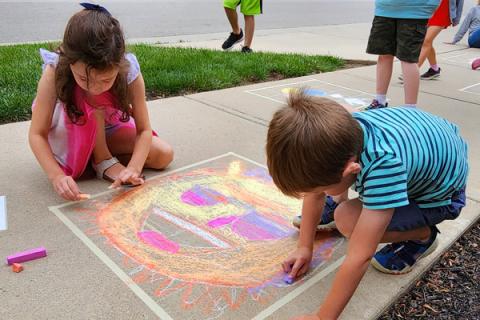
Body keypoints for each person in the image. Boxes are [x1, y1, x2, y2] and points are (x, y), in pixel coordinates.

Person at [266, 90, 468, 320]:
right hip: (431, 146)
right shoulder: (343, 129)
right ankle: (338, 195)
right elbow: (317, 191)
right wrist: (305, 247)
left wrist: (323, 317)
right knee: (342, 202)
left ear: (351, 170)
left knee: (348, 220)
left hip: (441, 196)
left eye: (320, 191)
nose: (314, 195)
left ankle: (423, 235)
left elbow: (360, 256)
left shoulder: (384, 167)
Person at [29, 3, 173, 201]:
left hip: (108, 127)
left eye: (105, 80)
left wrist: (133, 168)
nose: (93, 88)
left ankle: (96, 157)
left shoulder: (129, 73)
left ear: (119, 65)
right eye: (83, 78)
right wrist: (57, 176)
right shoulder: (54, 71)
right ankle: (101, 158)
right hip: (71, 128)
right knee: (92, 103)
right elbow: (37, 133)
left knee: (163, 155)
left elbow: (144, 130)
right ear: (69, 61)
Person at [366, 0, 440, 109]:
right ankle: (380, 100)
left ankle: (410, 108)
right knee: (384, 55)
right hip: (385, 8)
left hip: (415, 11)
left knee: (408, 60)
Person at [411, 0, 464, 80]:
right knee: (428, 42)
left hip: (443, 12)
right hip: (428, 10)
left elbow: (460, 2)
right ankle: (434, 69)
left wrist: (457, 18)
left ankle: (412, 72)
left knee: (426, 41)